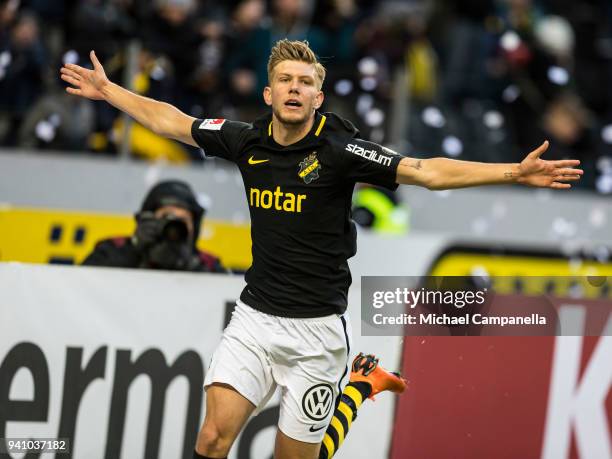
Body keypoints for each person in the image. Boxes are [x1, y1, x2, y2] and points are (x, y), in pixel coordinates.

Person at [60, 39, 582, 459]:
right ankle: (353, 384)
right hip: (255, 320)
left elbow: (427, 171)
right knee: (212, 440)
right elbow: (172, 122)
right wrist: (111, 93)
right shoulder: (246, 140)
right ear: (268, 94)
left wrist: (514, 171)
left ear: (318, 98)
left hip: (317, 333)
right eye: (285, 80)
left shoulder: (340, 151)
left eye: (305, 82)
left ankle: (356, 386)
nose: (294, 88)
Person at [83, 179, 225, 273]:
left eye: (183, 220)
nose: (174, 226)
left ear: (194, 227)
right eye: (166, 217)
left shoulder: (209, 265)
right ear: (147, 219)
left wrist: (191, 266)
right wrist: (134, 249)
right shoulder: (113, 249)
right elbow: (77, 284)